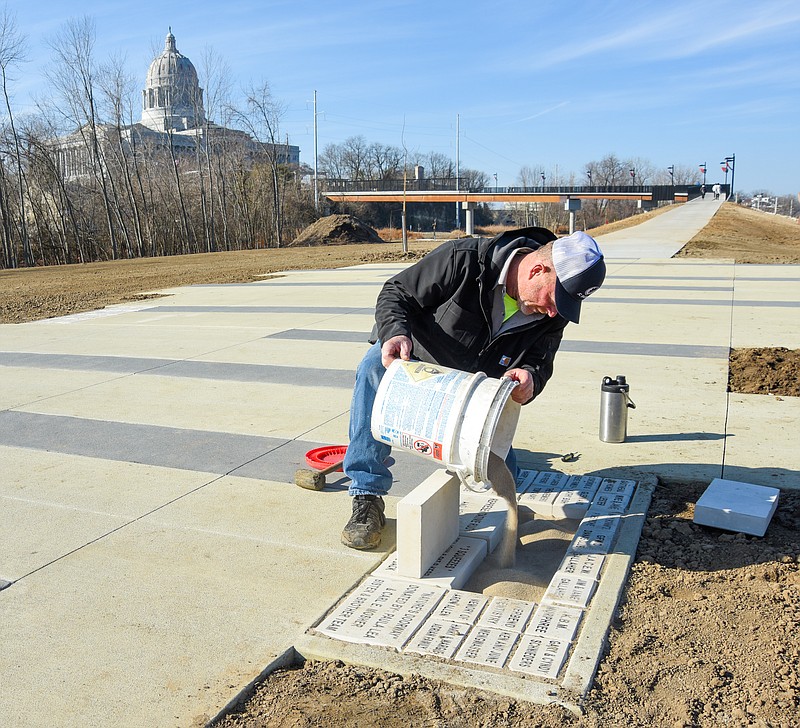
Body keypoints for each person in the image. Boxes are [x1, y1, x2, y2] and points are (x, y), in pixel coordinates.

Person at [340, 227, 607, 550]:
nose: (554, 311)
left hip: (474, 391)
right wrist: (395, 333)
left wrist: (530, 378)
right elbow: (397, 292)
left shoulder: (552, 315)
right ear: (537, 270)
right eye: (554, 298)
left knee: (505, 480)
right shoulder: (464, 260)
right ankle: (367, 495)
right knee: (372, 367)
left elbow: (541, 360)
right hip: (419, 364)